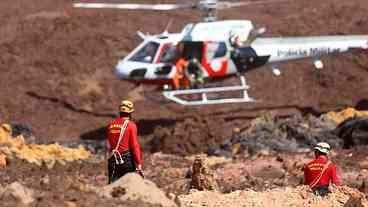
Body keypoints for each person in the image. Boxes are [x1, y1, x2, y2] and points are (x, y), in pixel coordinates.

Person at [106, 100, 143, 184]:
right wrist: (139, 162)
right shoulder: (131, 125)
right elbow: (134, 145)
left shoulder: (111, 125)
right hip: (126, 160)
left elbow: (110, 144)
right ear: (130, 113)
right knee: (128, 186)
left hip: (113, 160)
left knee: (112, 186)